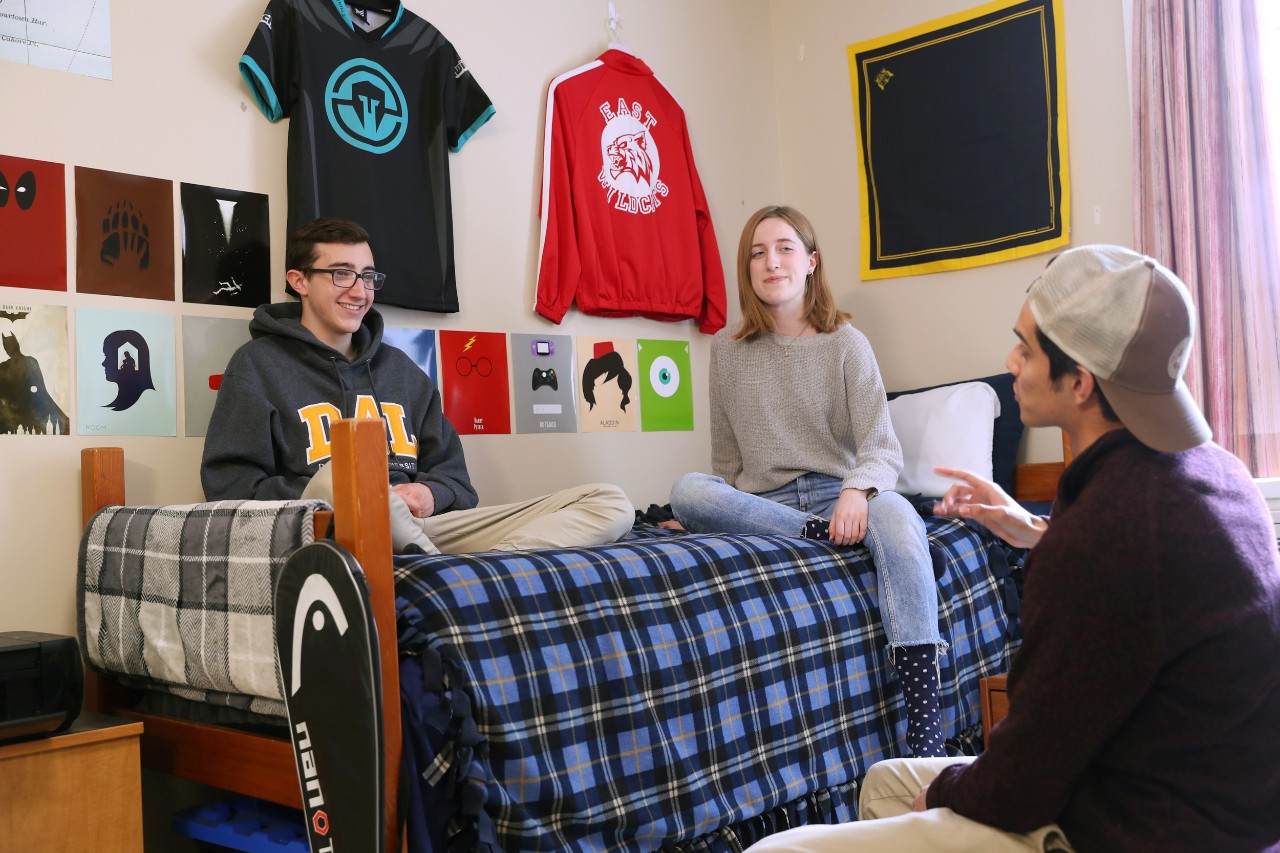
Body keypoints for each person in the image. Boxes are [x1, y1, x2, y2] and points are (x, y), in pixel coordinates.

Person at [745, 245, 1280, 852]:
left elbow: (1025, 778)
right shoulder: (1214, 476)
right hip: (1195, 798)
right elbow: (1144, 584)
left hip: (1143, 829)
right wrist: (1035, 531)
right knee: (884, 781)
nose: (1010, 361)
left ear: (1079, 383)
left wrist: (944, 795)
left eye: (1025, 349)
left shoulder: (1105, 534)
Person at [669, 205, 947, 759]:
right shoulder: (726, 351)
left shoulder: (847, 343)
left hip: (839, 494)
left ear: (811, 262)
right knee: (687, 491)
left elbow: (881, 447)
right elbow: (725, 462)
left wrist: (856, 492)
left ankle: (925, 730)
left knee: (897, 518)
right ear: (747, 269)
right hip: (767, 507)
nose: (771, 262)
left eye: (785, 248)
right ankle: (821, 537)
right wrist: (710, 514)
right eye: (757, 253)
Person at [201, 217, 634, 555]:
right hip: (330, 529)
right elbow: (231, 487)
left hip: (426, 527)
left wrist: (428, 493)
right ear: (299, 281)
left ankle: (477, 565)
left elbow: (458, 483)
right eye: (341, 274)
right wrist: (366, 495)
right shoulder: (257, 366)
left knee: (609, 503)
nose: (360, 291)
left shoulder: (402, 371)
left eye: (368, 276)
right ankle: (438, 571)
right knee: (348, 479)